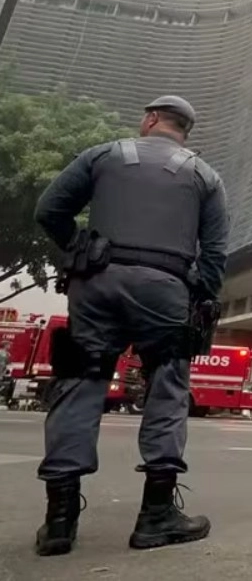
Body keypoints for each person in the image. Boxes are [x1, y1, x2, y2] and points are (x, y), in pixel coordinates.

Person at [32, 95, 230, 556]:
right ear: (185, 130)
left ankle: (59, 522)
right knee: (167, 385)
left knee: (79, 382)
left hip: (96, 283)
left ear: (151, 119)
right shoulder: (205, 176)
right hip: (166, 288)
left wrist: (80, 247)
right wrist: (199, 295)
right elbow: (216, 253)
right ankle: (156, 516)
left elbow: (49, 210)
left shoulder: (102, 154)